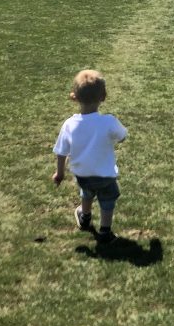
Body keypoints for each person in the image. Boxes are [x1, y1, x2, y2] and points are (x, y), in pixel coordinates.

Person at [52, 69, 127, 244]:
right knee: (107, 200)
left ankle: (85, 217)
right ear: (103, 97)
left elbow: (61, 152)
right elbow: (122, 136)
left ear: (75, 97)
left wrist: (60, 173)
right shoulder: (108, 122)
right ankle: (105, 232)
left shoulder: (69, 125)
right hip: (105, 175)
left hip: (82, 175)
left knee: (86, 192)